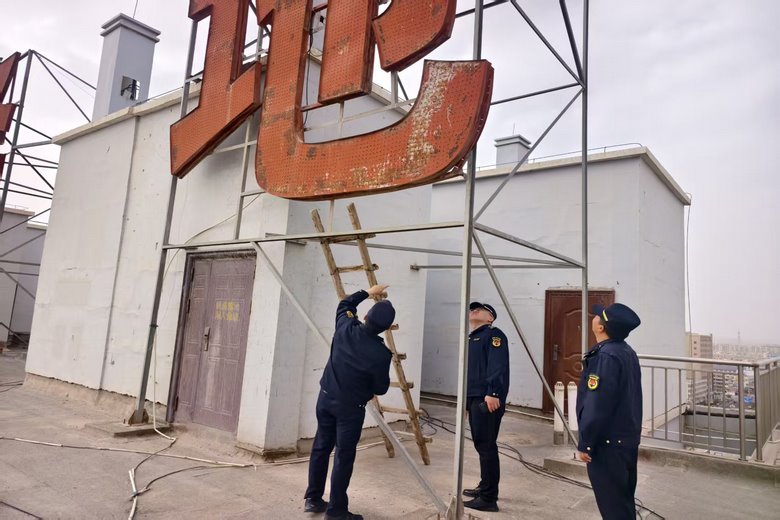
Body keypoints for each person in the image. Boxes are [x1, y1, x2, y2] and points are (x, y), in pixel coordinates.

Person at [304, 284, 395, 520]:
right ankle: (336, 511)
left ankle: (313, 499)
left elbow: (345, 304)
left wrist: (368, 292)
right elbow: (381, 388)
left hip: (325, 399)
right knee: (343, 457)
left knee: (321, 447)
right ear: (386, 329)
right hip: (350, 410)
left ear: (365, 317)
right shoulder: (382, 354)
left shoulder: (346, 327)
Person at [576, 302, 642, 520]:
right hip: (625, 440)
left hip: (607, 444)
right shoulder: (625, 351)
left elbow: (597, 404)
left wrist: (586, 442)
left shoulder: (606, 356)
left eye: (598, 316)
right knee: (623, 502)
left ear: (601, 327)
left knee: (613, 506)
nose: (594, 317)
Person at [462, 301, 510, 512]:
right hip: (474, 397)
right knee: (481, 444)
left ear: (490, 317)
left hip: (487, 398)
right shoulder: (472, 337)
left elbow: (497, 365)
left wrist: (494, 392)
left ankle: (489, 498)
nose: (474, 310)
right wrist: (466, 403)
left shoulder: (494, 335)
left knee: (486, 445)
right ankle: (485, 486)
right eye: (473, 309)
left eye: (480, 309)